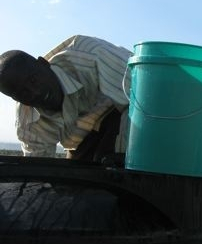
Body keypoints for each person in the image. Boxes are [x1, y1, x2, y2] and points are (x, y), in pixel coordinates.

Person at [0, 35, 132, 162]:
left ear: (44, 63)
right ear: (15, 98)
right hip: (84, 138)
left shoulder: (90, 55)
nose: (35, 92)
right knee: (75, 179)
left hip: (128, 109)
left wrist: (123, 157)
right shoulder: (28, 121)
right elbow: (39, 164)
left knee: (110, 167)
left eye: (34, 80)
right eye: (23, 93)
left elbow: (145, 98)